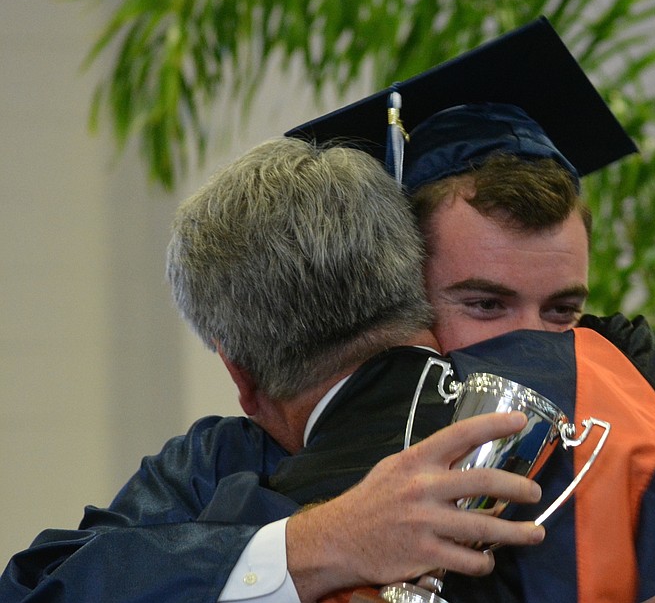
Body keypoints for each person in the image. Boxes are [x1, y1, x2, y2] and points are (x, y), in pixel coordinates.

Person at [288, 16, 655, 603]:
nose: (534, 346)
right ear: (401, 295)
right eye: (487, 304)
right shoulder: (315, 431)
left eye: (561, 311)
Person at [0, 137, 547, 602]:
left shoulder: (224, 481)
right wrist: (317, 543)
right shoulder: (218, 461)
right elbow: (44, 583)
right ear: (418, 286)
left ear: (241, 376)